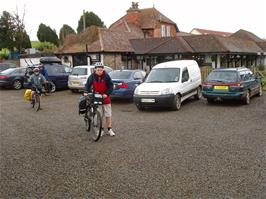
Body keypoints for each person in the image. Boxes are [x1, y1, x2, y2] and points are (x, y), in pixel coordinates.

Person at [84, 62, 115, 136]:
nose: (99, 71)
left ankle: (109, 129)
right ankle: (101, 129)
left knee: (108, 114)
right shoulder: (92, 76)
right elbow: (87, 85)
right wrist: (86, 91)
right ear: (95, 70)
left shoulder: (106, 76)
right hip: (97, 97)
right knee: (99, 115)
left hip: (105, 98)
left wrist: (106, 94)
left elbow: (111, 86)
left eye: (101, 70)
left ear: (103, 69)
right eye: (98, 70)